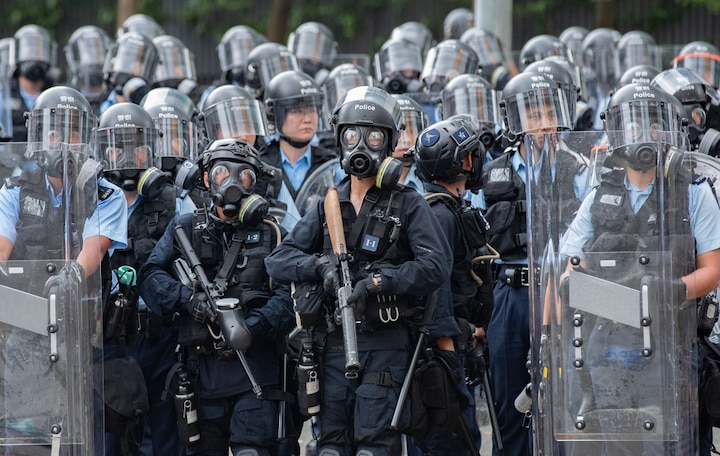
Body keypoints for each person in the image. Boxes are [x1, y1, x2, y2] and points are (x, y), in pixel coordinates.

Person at [264, 85, 453, 456]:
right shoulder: (328, 203)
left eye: (373, 137)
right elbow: (278, 260)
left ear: (390, 143)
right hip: (333, 345)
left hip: (385, 344)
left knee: (374, 447)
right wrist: (321, 267)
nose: (361, 145)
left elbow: (435, 266)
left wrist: (378, 282)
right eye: (352, 135)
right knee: (330, 448)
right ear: (339, 140)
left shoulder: (408, 203)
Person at [555, 82, 720, 455]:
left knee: (674, 444)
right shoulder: (598, 197)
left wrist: (673, 290)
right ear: (617, 132)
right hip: (608, 342)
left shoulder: (693, 192)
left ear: (668, 131)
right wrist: (584, 293)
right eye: (634, 125)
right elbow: (570, 271)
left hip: (673, 337)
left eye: (654, 124)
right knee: (618, 445)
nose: (645, 134)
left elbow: (712, 270)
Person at [138, 138, 295, 456]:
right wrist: (189, 301)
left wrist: (251, 328)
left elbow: (288, 299)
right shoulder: (185, 228)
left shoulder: (273, 233)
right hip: (201, 374)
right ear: (207, 178)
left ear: (255, 183)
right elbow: (150, 277)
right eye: (222, 171)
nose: (233, 181)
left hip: (256, 373)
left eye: (244, 175)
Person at [0, 85, 127, 454]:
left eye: (72, 132)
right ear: (38, 137)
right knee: (22, 434)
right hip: (26, 327)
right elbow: (2, 250)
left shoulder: (105, 193)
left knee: (79, 433)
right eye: (53, 132)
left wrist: (71, 275)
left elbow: (94, 249)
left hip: (83, 327)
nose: (63, 142)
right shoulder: (14, 190)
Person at [481, 70, 588, 456]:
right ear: (514, 119)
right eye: (533, 113)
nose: (543, 122)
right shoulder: (490, 174)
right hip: (510, 298)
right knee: (510, 405)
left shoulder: (581, 169)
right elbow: (474, 248)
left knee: (563, 405)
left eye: (550, 111)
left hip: (564, 295)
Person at [97, 101, 194, 455]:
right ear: (104, 151)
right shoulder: (91, 201)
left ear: (150, 150)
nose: (128, 156)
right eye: (118, 146)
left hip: (160, 336)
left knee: (166, 437)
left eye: (136, 146)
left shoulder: (175, 201)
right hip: (110, 338)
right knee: (113, 436)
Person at [410, 115, 492, 455]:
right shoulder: (441, 214)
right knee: (454, 437)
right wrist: (454, 340)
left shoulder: (445, 208)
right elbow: (437, 285)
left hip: (456, 341)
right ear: (464, 162)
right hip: (444, 352)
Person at [259, 70, 338, 230]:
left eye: (312, 110)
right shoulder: (260, 165)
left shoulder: (332, 166)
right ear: (275, 114)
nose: (308, 119)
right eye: (297, 111)